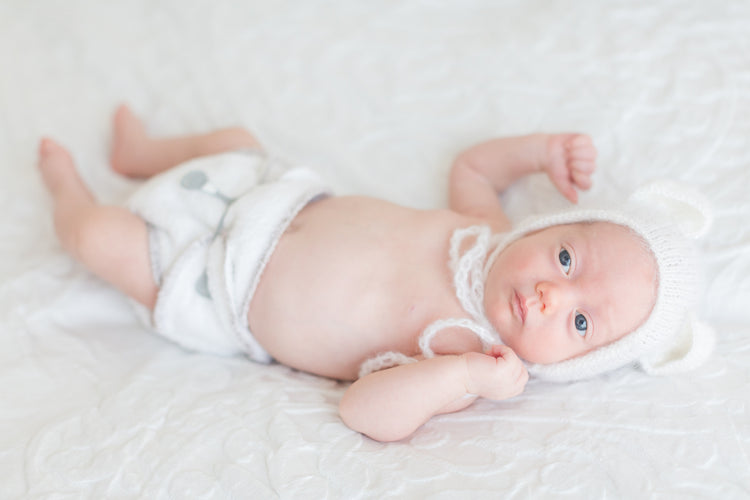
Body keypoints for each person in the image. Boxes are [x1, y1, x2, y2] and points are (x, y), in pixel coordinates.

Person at [37, 105, 714, 442]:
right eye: (566, 258)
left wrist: (464, 379)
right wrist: (539, 152)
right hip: (270, 196)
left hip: (224, 288)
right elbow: (474, 168)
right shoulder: (485, 235)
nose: (549, 293)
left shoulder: (464, 352)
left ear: (574, 364)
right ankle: (143, 155)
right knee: (232, 140)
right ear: (547, 229)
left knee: (101, 239)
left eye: (580, 321)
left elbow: (366, 411)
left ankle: (70, 195)